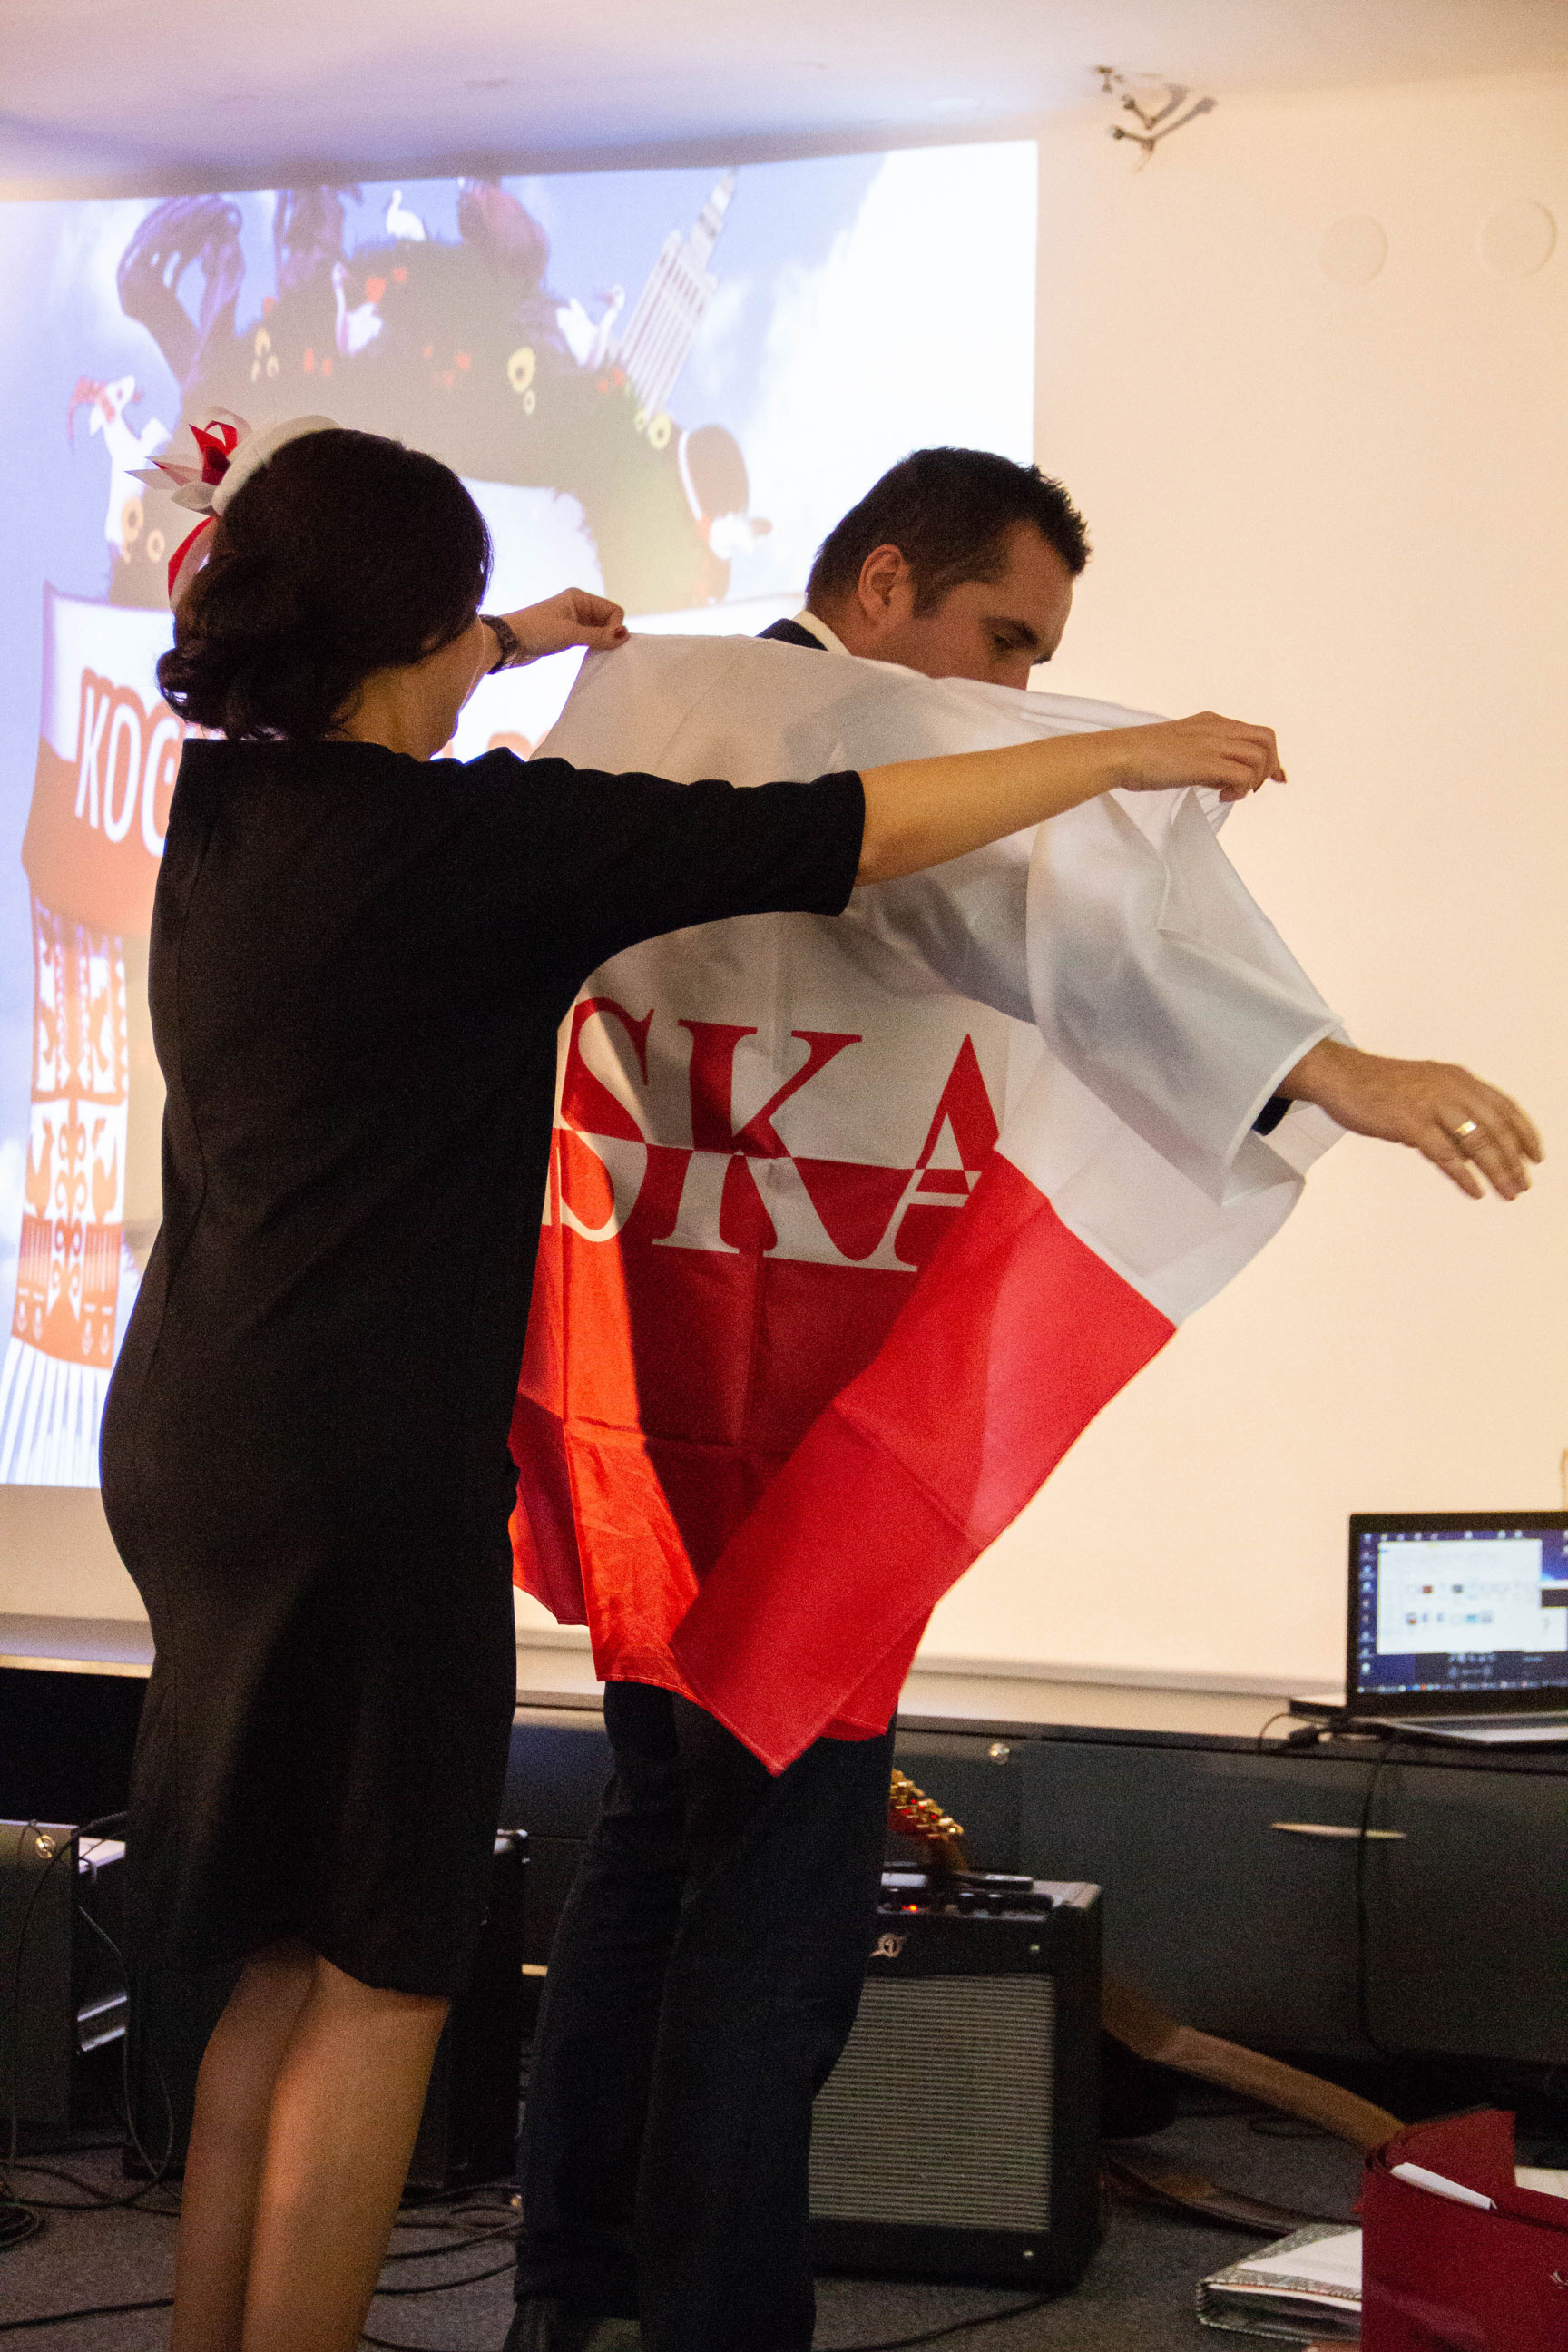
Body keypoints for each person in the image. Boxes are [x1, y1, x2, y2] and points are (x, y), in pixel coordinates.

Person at [99, 416, 1288, 2352]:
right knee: (386, 1982)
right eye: (465, 630)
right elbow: (842, 827)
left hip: (194, 1439)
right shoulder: (469, 849)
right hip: (365, 1472)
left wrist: (518, 636)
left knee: (274, 1961)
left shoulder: (229, 804)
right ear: (409, 633)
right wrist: (1115, 753)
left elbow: (401, 677)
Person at [507, 448, 1541, 2352]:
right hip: (798, 1422)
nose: (1009, 690)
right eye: (1002, 639)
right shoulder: (857, 746)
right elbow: (1072, 933)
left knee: (651, 1853)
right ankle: (714, 2325)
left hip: (643, 1400)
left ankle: (573, 2297)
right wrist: (1330, 1068)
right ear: (886, 584)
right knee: (773, 1921)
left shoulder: (645, 715)